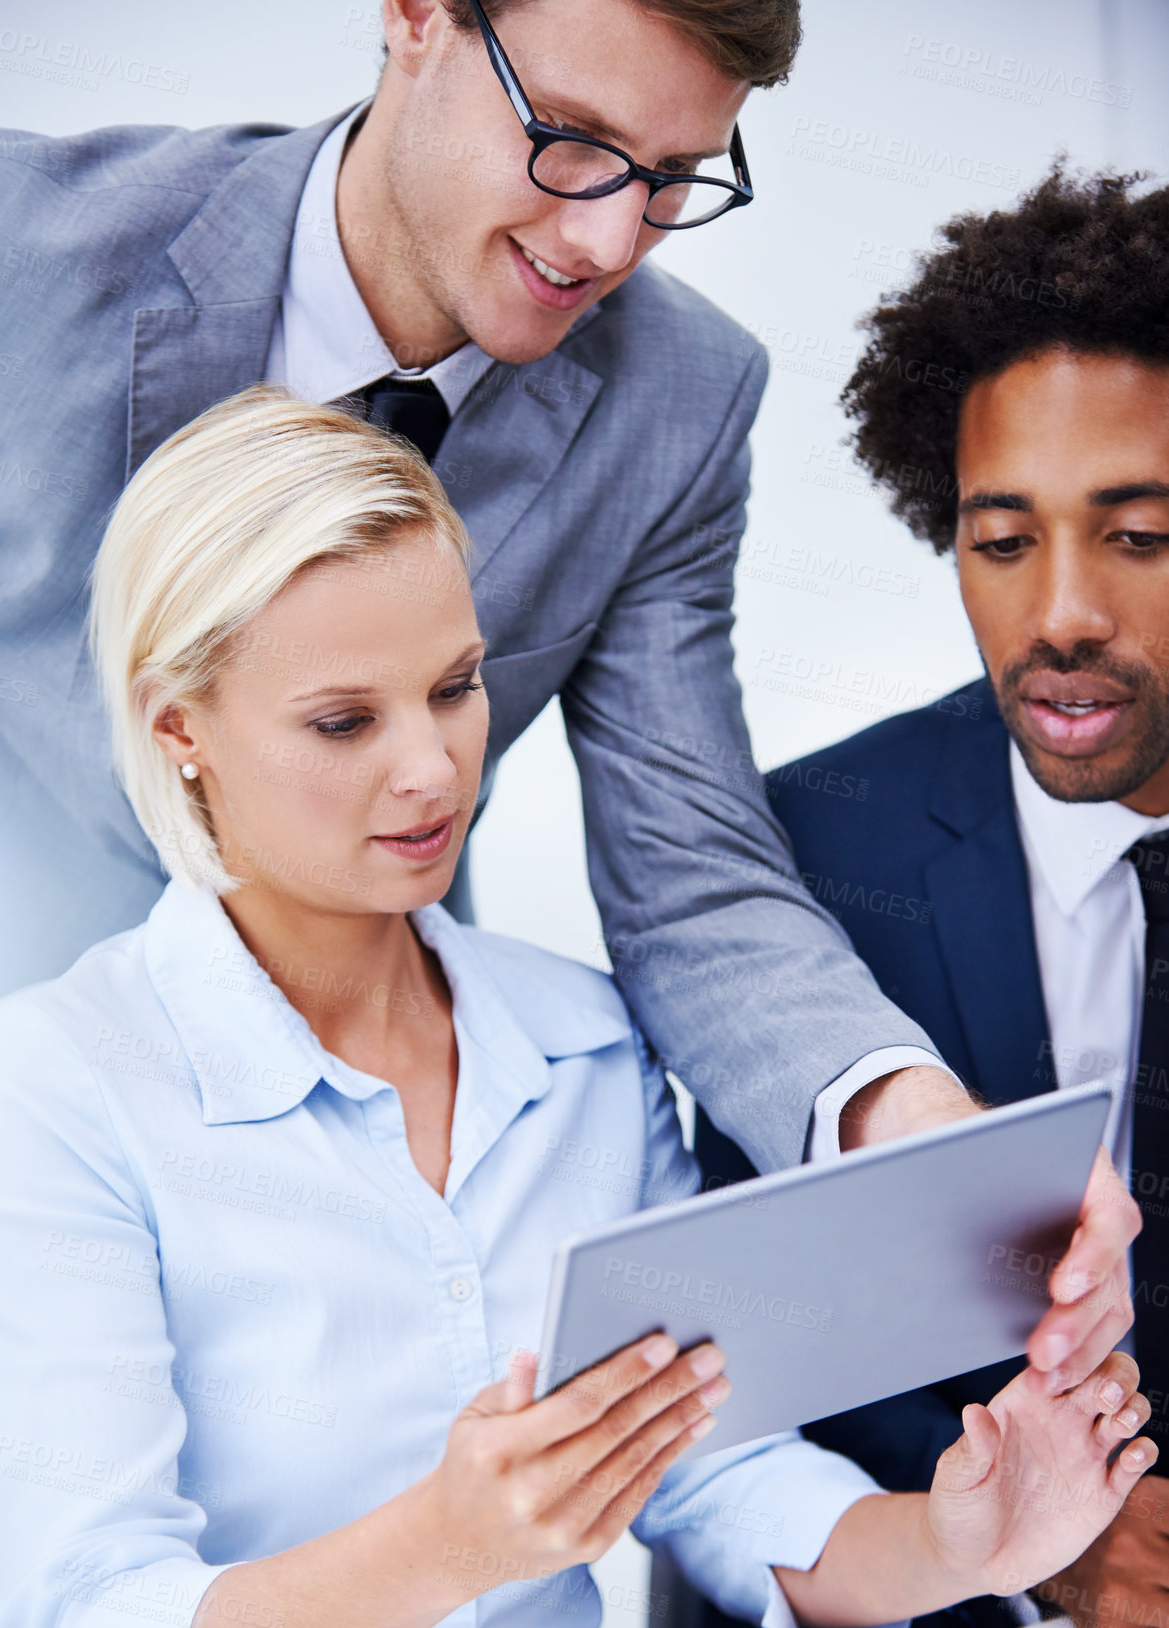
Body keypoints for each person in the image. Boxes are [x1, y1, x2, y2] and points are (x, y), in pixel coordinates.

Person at [0, 0, 1133, 1432]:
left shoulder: (679, 398)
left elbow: (691, 873)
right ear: (416, 19)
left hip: (379, 1216)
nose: (609, 242)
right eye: (573, 143)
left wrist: (912, 1133)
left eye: (681, 175)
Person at [0, 386, 1156, 1628]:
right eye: (345, 720)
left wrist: (963, 1542)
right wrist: (445, 1545)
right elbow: (85, 1599)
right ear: (178, 727)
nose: (431, 769)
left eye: (456, 686)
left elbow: (713, 1470)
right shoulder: (58, 1083)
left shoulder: (579, 1039)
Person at [697, 165, 1169, 1628]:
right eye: (1002, 541)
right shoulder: (815, 851)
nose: (1063, 613)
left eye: (1142, 536)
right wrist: (1039, 1530)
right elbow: (755, 1345)